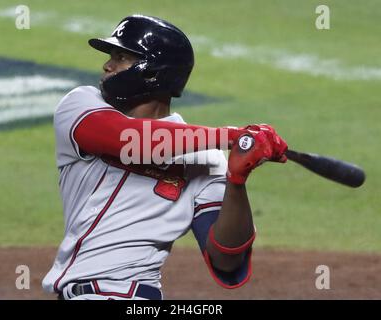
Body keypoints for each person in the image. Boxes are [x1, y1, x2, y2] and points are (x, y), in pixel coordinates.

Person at [42, 14, 287, 300]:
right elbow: (127, 140)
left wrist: (237, 180)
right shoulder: (81, 105)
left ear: (153, 72)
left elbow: (227, 260)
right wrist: (230, 136)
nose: (107, 65)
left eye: (121, 57)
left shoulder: (205, 157)